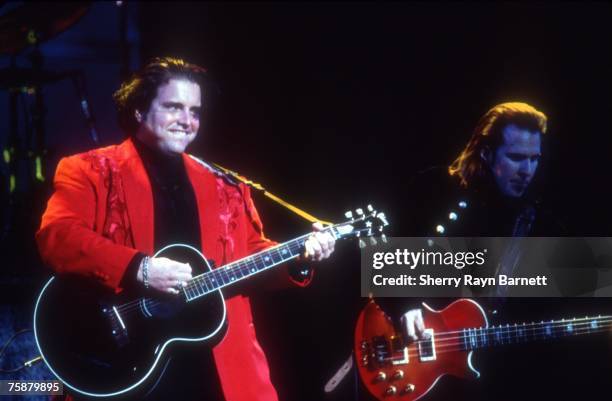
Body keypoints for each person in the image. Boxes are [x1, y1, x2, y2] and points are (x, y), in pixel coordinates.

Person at [36, 57, 335, 401]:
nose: (187, 120)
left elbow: (253, 254)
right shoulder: (90, 169)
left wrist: (299, 258)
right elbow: (57, 236)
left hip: (220, 370)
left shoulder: (228, 184)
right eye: (173, 107)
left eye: (195, 111)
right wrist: (140, 269)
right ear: (138, 110)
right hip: (126, 363)